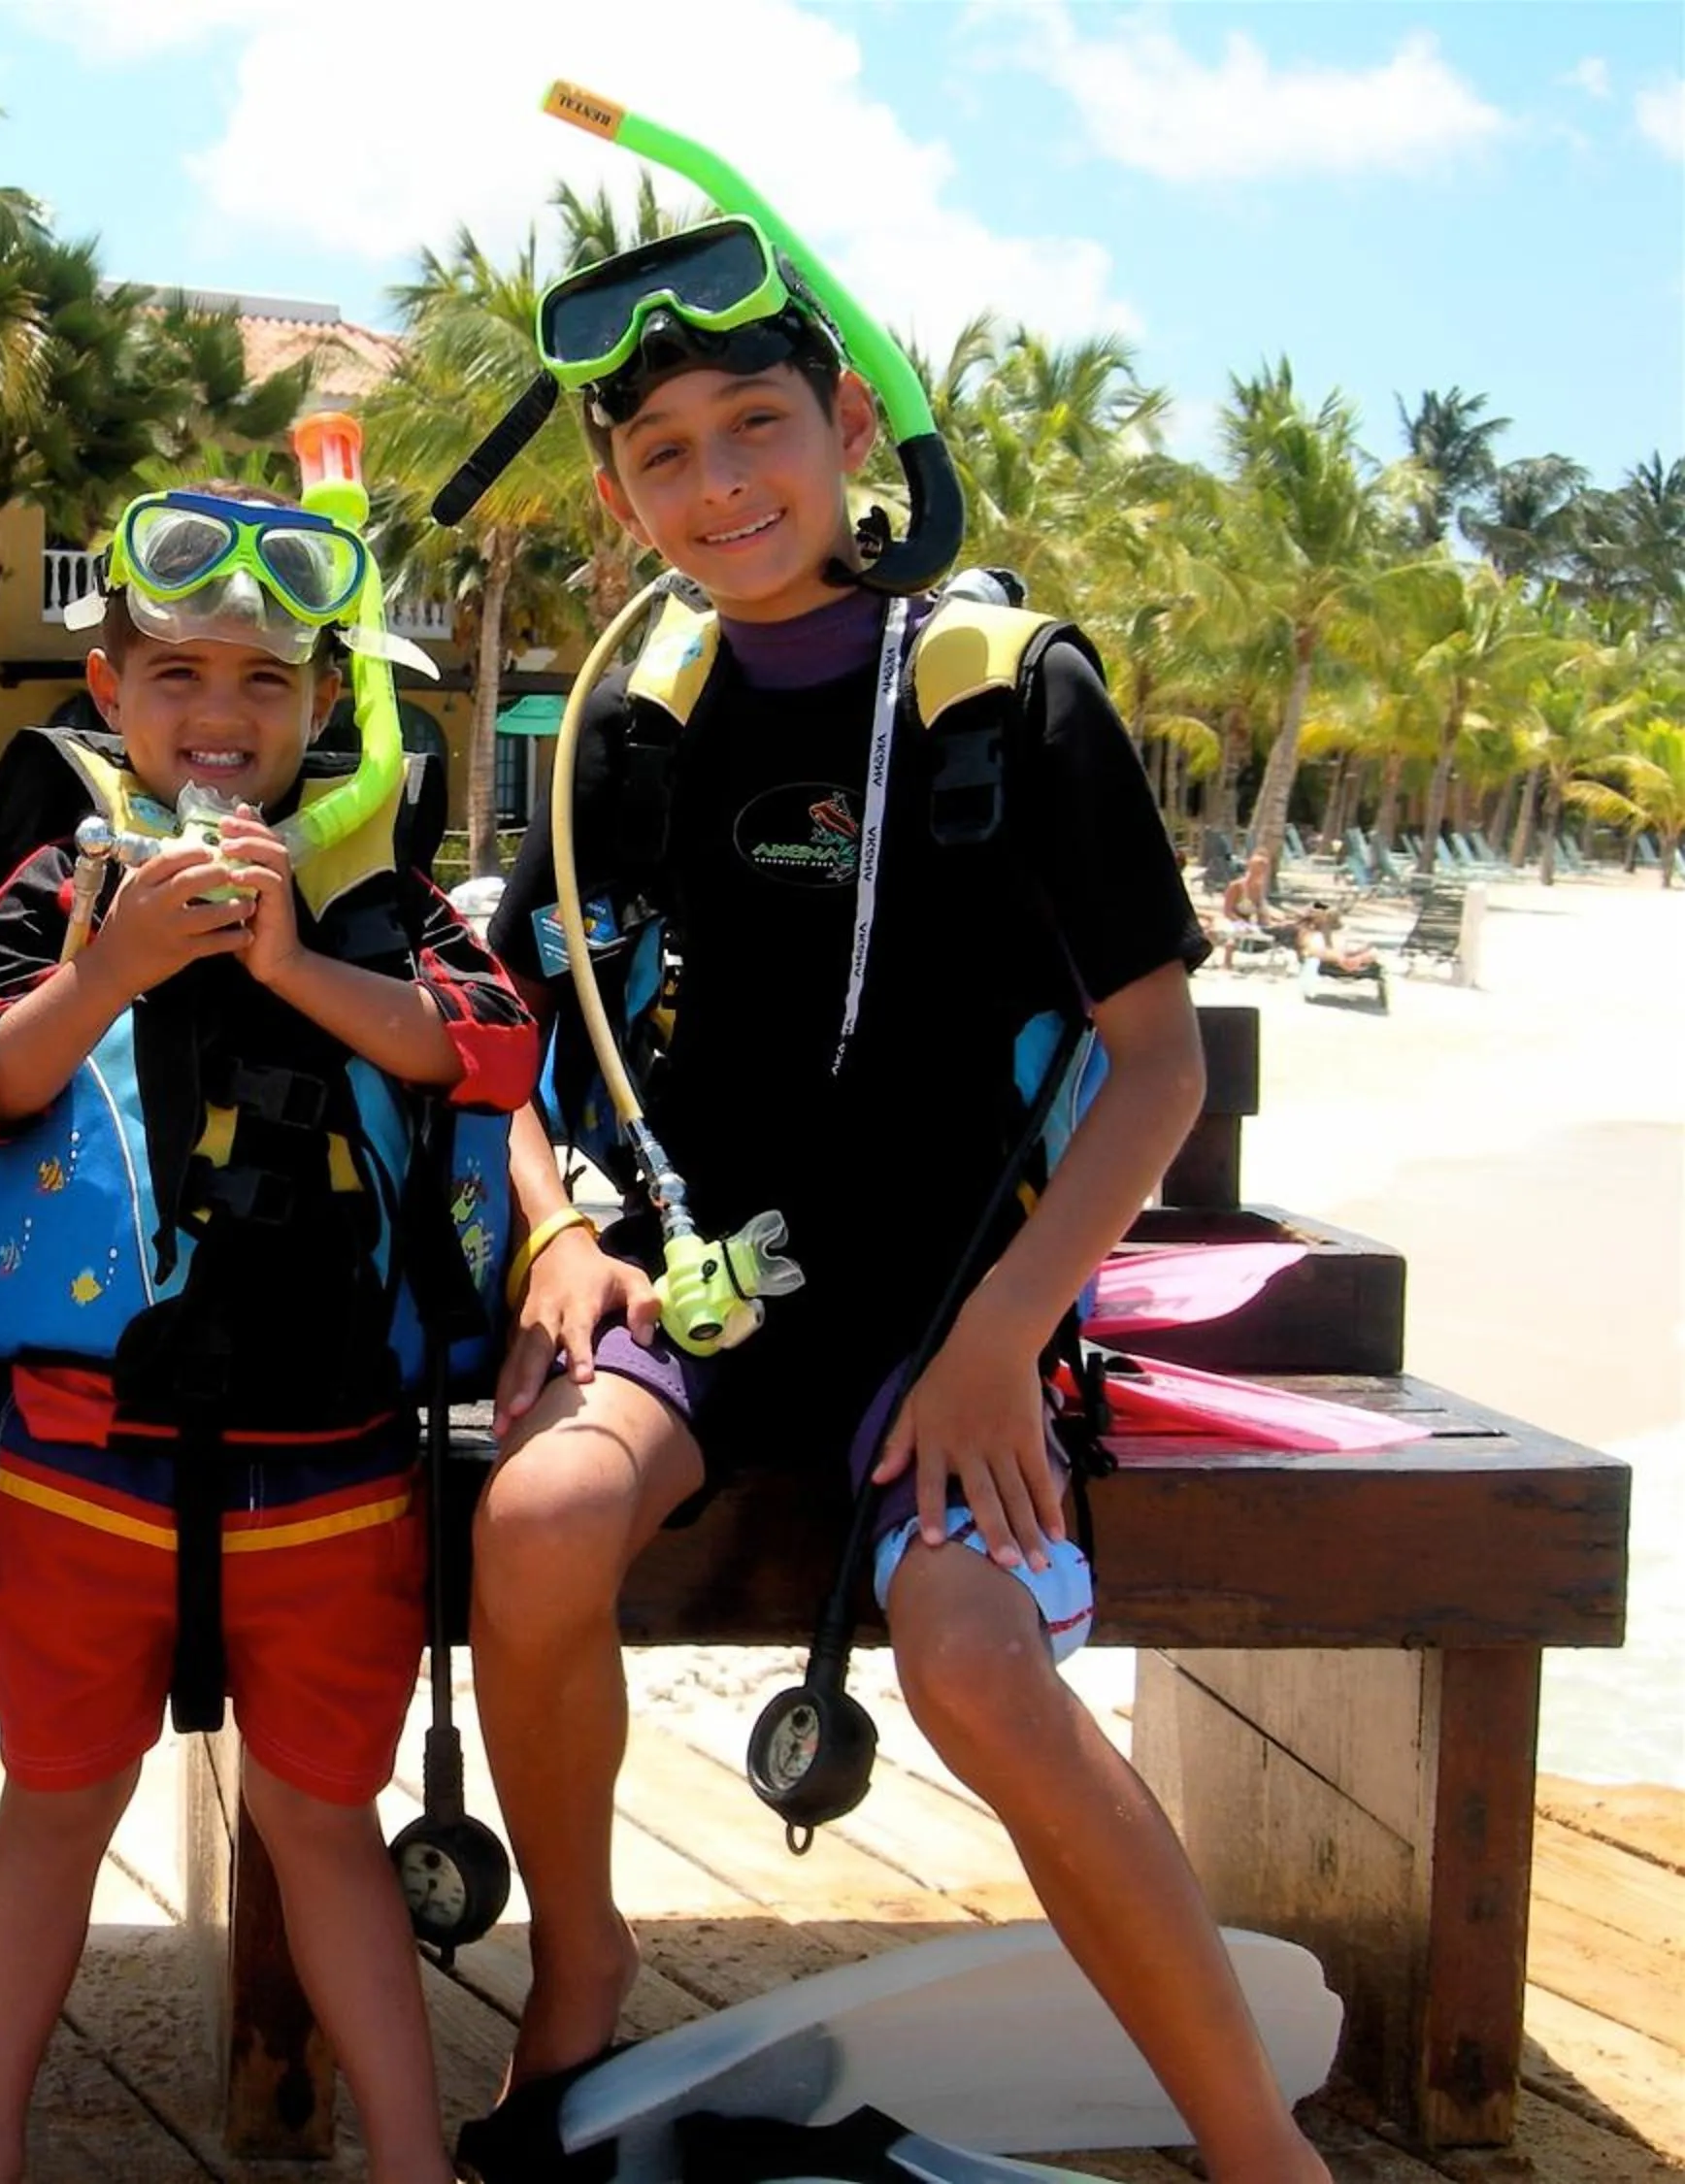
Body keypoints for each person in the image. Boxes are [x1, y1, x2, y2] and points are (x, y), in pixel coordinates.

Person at [467, 233, 1331, 2182]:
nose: (721, 482)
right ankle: (581, 1963)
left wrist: (1004, 1338)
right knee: (531, 1525)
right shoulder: (632, 726)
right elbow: (504, 1039)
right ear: (618, 497)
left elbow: (1158, 1065)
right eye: (666, 452)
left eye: (758, 423)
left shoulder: (1005, 698)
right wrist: (552, 1228)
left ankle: (1262, 2155)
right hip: (714, 1292)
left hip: (964, 1308)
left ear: (854, 423)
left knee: (966, 1657)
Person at [0, 483, 538, 2184]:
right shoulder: (58, 886)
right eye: (179, 671)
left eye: (268, 682)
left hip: (330, 1473)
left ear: (328, 706)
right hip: (81, 1469)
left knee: (323, 1821)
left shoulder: (382, 903)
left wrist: (295, 963)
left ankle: (412, 2164)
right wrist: (111, 964)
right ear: (108, 694)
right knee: (53, 1806)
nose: (221, 714)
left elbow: (488, 1058)